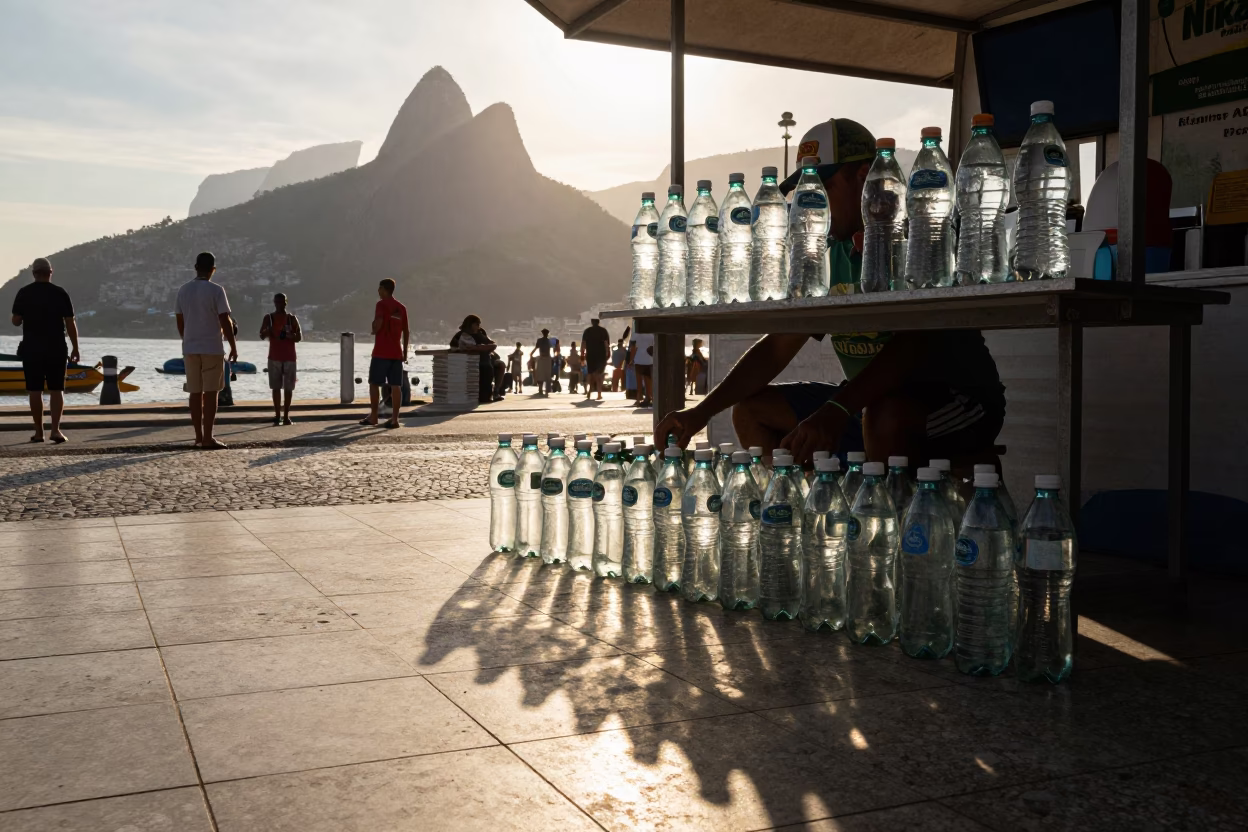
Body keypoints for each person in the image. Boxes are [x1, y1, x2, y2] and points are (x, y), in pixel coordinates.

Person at [657, 117, 1005, 468]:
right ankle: (802, 509)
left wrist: (837, 410)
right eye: (807, 190)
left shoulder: (919, 239)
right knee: (751, 412)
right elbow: (778, 347)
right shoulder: (829, 254)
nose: (813, 201)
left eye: (823, 186)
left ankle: (889, 515)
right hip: (865, 404)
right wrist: (700, 412)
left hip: (956, 400)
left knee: (883, 418)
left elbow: (915, 342)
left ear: (864, 177)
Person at [10, 257, 79, 443]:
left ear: (34, 274)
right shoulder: (60, 293)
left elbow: (16, 321)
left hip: (32, 348)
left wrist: (23, 316)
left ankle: (39, 432)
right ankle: (55, 431)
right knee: (57, 390)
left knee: (35, 390)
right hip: (56, 347)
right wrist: (75, 347)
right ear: (51, 272)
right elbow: (70, 322)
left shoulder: (24, 293)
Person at [175, 252, 238, 449]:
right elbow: (224, 320)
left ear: (195, 267)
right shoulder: (217, 290)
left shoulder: (183, 290)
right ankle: (208, 438)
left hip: (190, 348)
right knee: (211, 393)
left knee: (195, 393)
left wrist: (188, 339)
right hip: (212, 347)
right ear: (213, 269)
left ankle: (197, 437)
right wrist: (233, 345)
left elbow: (180, 321)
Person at [362, 277, 408, 428]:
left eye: (379, 289)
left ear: (384, 289)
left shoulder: (381, 305)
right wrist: (405, 352)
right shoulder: (401, 308)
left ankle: (374, 416)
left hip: (381, 352)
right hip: (397, 352)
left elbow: (379, 323)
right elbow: (406, 331)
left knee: (374, 383)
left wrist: (374, 328)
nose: (378, 291)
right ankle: (395, 419)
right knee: (396, 386)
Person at [259, 292, 301, 425]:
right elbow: (261, 335)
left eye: (281, 302)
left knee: (288, 388)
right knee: (275, 387)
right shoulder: (269, 318)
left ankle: (286, 416)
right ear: (274, 302)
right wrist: (268, 331)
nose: (279, 304)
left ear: (285, 303)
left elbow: (299, 337)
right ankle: (278, 416)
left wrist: (290, 336)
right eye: (277, 302)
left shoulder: (292, 319)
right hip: (274, 357)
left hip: (289, 357)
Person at [451, 314, 500, 403]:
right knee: (485, 368)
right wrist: (481, 347)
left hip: (485, 358)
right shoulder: (462, 335)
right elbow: (459, 347)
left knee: (498, 365)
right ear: (471, 324)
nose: (479, 326)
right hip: (470, 361)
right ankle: (484, 396)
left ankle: (495, 392)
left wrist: (480, 347)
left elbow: (493, 344)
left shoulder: (480, 333)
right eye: (477, 324)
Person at [581, 317, 611, 401]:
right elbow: (606, 344)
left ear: (592, 322)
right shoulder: (603, 331)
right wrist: (608, 353)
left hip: (590, 354)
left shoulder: (587, 331)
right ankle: (599, 394)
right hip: (601, 355)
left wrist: (582, 355)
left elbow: (583, 344)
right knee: (599, 375)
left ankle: (589, 391)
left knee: (590, 373)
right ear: (598, 322)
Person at [630, 331, 654, 408]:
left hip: (639, 359)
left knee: (639, 381)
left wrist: (631, 359)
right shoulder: (652, 334)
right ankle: (649, 398)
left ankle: (638, 399)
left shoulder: (635, 334)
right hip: (650, 360)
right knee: (648, 380)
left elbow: (633, 348)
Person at [530, 329, 554, 395]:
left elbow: (536, 348)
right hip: (547, 358)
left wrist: (531, 354)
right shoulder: (549, 341)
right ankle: (546, 390)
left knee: (541, 374)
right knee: (546, 374)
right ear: (547, 334)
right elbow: (552, 349)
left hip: (542, 358)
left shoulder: (540, 340)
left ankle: (541, 390)